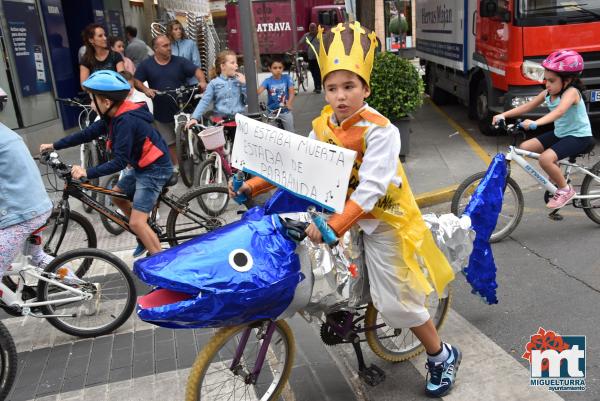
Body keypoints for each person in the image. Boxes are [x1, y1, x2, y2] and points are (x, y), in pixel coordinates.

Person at [231, 22, 460, 397]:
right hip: (341, 220)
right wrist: (250, 186)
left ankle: (441, 354)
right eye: (332, 88)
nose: (340, 96)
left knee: (396, 305)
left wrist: (336, 224)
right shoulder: (322, 127)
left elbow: (370, 189)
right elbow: (297, 170)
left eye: (349, 86)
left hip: (385, 222)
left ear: (365, 88)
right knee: (324, 284)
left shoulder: (381, 131)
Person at [40, 71, 173, 258]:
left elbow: (120, 162)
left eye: (92, 100)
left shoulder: (125, 121)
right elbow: (86, 134)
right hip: (142, 166)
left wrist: (87, 171)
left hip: (154, 169)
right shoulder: (112, 116)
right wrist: (54, 145)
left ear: (106, 102)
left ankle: (162, 262)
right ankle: (146, 235)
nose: (90, 104)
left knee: (136, 222)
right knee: (118, 197)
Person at [492, 49, 594, 209]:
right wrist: (503, 115)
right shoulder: (547, 93)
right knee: (525, 148)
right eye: (546, 80)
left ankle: (566, 190)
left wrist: (536, 123)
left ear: (567, 80)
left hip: (579, 136)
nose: (547, 84)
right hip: (561, 134)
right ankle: (556, 172)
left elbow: (559, 111)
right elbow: (526, 106)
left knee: (545, 159)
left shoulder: (572, 92)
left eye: (552, 81)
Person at [134, 35, 207, 171]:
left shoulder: (179, 61)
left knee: (188, 132)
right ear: (156, 48)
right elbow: (136, 80)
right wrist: (145, 89)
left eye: (169, 45)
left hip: (182, 106)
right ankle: (177, 166)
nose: (169, 48)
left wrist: (202, 81)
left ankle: (193, 151)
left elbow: (196, 70)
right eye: (165, 46)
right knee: (170, 141)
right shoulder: (146, 65)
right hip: (161, 109)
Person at [1, 96, 54, 282]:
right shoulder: (6, 132)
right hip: (35, 206)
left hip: (21, 213)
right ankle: (84, 288)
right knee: (37, 257)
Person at [185, 50, 246, 129]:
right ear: (223, 66)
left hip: (239, 122)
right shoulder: (214, 83)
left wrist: (244, 84)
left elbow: (249, 101)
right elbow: (204, 101)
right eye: (232, 63)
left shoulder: (240, 81)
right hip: (220, 123)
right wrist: (194, 118)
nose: (236, 65)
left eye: (236, 63)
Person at [257, 57, 295, 132]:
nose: (278, 70)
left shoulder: (287, 78)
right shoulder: (267, 81)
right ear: (269, 69)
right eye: (275, 68)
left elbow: (291, 92)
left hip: (285, 110)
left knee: (291, 132)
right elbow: (258, 92)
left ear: (283, 68)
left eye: (280, 67)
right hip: (272, 111)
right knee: (271, 133)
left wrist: (289, 103)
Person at [166, 20, 202, 85]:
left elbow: (197, 64)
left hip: (192, 82)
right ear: (170, 32)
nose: (179, 31)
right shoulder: (168, 46)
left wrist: (187, 73)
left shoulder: (190, 43)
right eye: (176, 29)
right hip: (176, 83)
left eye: (180, 28)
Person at [298, 22, 322, 93]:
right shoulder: (306, 35)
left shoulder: (319, 35)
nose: (312, 29)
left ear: (316, 28)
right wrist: (294, 49)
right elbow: (300, 43)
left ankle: (319, 87)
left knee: (317, 72)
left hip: (318, 58)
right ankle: (316, 86)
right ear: (309, 28)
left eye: (313, 27)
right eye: (311, 27)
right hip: (310, 58)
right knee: (313, 73)